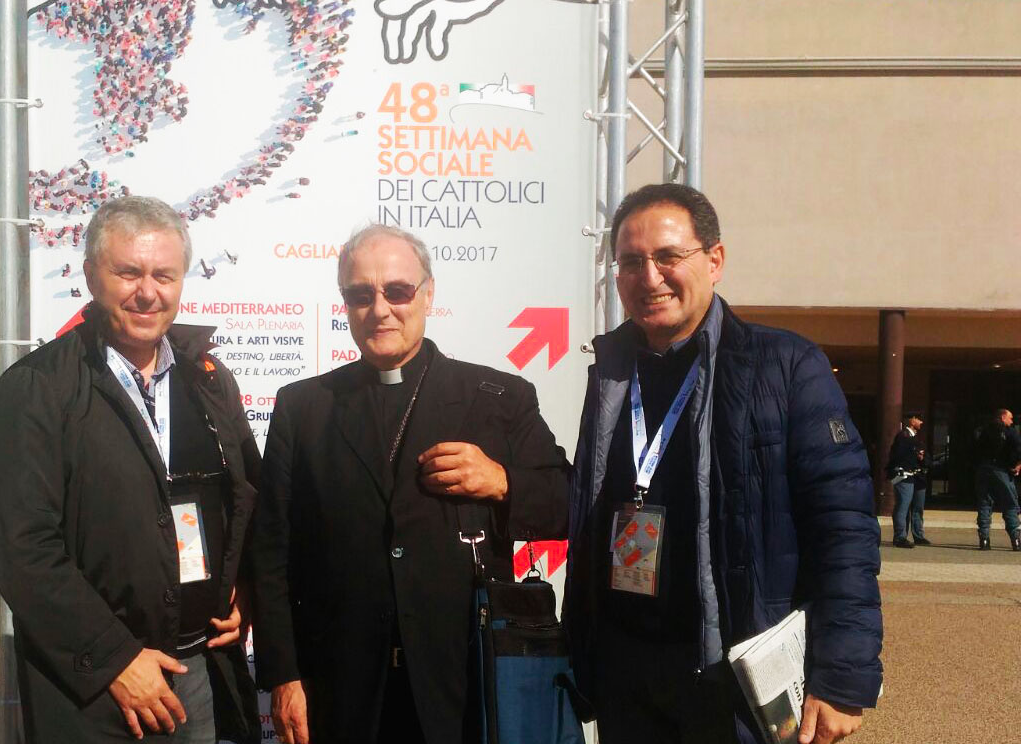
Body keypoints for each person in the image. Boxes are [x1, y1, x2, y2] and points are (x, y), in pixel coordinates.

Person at [564, 183, 883, 744]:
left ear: (715, 261)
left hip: (731, 676)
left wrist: (841, 674)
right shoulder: (611, 372)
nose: (650, 277)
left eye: (668, 256)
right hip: (627, 672)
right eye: (631, 262)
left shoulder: (786, 366)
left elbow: (844, 529)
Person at [250, 224, 569, 744]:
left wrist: (501, 482)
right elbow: (271, 554)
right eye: (361, 295)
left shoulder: (497, 397)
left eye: (397, 291)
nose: (380, 310)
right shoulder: (303, 407)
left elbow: (566, 503)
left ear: (427, 294)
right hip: (341, 688)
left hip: (462, 683)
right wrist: (284, 676)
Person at [0, 196, 260, 743]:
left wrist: (244, 586)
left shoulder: (208, 381)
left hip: (198, 670)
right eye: (128, 273)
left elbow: (244, 499)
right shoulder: (36, 389)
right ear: (90, 276)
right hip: (99, 692)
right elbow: (23, 546)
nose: (147, 292)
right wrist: (114, 660)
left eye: (163, 275)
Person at [973, 408, 1021, 551]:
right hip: (1002, 470)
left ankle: (984, 539)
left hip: (983, 470)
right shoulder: (1009, 432)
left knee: (984, 504)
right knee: (1010, 504)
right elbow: (1019, 448)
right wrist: (1018, 464)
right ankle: (1016, 540)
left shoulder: (982, 431)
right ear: (1002, 417)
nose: (1012, 421)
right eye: (1010, 418)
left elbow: (974, 450)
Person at [887, 413, 929, 548]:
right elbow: (900, 456)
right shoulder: (903, 437)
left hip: (917, 477)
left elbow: (924, 456)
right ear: (912, 420)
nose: (921, 422)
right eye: (919, 419)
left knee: (917, 508)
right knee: (903, 506)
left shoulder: (915, 438)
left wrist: (922, 458)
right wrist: (915, 452)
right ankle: (900, 537)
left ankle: (917, 535)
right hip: (905, 475)